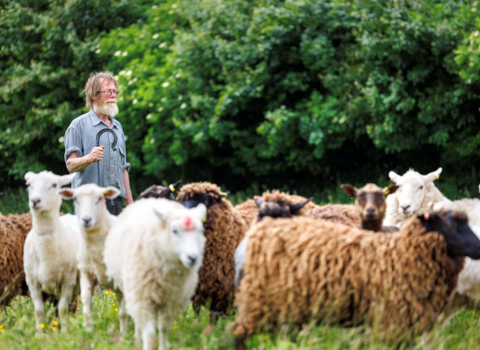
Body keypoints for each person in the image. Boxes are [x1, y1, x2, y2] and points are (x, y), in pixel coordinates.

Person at [64, 72, 133, 215]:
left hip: (115, 202)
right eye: (108, 91)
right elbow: (70, 165)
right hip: (88, 203)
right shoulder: (77, 125)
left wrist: (131, 205)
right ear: (94, 95)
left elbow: (123, 169)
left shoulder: (117, 127)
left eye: (115, 92)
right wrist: (89, 157)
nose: (113, 95)